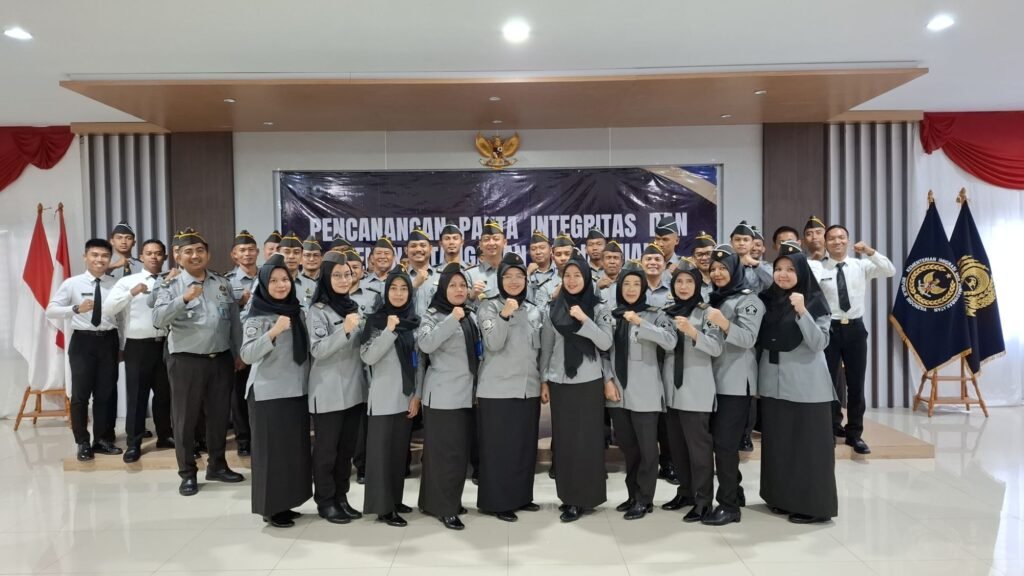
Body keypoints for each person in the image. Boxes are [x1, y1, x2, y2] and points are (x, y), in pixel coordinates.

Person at [153, 228, 245, 496]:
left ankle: (217, 465)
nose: (195, 255)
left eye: (200, 250)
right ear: (178, 256)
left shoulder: (221, 283)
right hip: (186, 361)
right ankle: (187, 473)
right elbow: (158, 320)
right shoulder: (170, 285)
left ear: (208, 254)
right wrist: (183, 299)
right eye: (188, 251)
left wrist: (238, 352)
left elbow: (234, 322)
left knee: (218, 416)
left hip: (220, 359)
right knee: (185, 418)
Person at [757, 241, 838, 524]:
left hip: (807, 388)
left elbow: (819, 343)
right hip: (772, 385)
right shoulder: (767, 300)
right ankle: (779, 498)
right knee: (778, 446)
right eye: (778, 268)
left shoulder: (815, 301)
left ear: (801, 272)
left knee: (808, 449)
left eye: (790, 269)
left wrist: (802, 311)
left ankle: (814, 506)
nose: (783, 274)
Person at [540, 251, 613, 523]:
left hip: (588, 382)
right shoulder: (554, 308)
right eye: (567, 276)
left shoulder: (598, 307)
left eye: (577, 275)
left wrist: (584, 319)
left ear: (586, 278)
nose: (571, 280)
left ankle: (587, 496)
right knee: (566, 442)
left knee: (587, 442)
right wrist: (544, 379)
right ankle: (569, 497)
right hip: (560, 382)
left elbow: (605, 342)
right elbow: (547, 347)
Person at [240, 254, 313, 528]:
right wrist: (273, 332)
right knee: (270, 454)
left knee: (291, 452)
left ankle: (287, 502)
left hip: (296, 390)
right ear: (263, 284)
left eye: (285, 279)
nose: (281, 285)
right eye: (274, 281)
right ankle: (270, 508)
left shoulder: (297, 311)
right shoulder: (257, 314)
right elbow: (247, 354)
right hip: (268, 393)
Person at [604, 268, 677, 520]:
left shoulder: (656, 315)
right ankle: (632, 495)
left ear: (644, 288)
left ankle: (645, 499)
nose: (631, 289)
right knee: (629, 448)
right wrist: (607, 380)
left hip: (646, 392)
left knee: (647, 450)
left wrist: (641, 323)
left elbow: (671, 341)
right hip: (618, 393)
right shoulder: (612, 316)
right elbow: (603, 351)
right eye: (627, 284)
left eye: (637, 284)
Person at [476, 253, 543, 522]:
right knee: (498, 449)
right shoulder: (488, 307)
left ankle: (521, 496)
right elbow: (493, 343)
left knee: (524, 448)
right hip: (497, 389)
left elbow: (539, 351)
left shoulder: (534, 310)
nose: (514, 281)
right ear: (499, 279)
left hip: (528, 387)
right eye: (508, 276)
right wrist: (504, 314)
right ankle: (498, 501)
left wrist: (543, 381)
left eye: (519, 276)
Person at [702, 244, 764, 525]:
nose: (717, 273)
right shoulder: (715, 298)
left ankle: (728, 506)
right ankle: (735, 492)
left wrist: (725, 323)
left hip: (736, 383)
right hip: (714, 380)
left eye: (723, 268)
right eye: (713, 269)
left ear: (735, 270)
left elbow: (749, 338)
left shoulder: (749, 300)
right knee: (720, 442)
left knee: (725, 444)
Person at [819, 225, 895, 454]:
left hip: (855, 329)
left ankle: (855, 434)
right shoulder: (819, 267)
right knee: (828, 383)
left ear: (848, 240)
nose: (837, 241)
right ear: (825, 243)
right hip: (829, 329)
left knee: (856, 383)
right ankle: (830, 429)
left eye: (841, 237)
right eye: (832, 238)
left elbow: (889, 270)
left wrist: (870, 251)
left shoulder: (860, 266)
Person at [416, 263, 481, 530]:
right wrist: (451, 319)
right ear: (443, 288)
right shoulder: (433, 315)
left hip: (466, 395)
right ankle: (445, 507)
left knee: (457, 454)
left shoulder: (470, 315)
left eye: (462, 285)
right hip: (442, 396)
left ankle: (435, 500)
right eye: (452, 285)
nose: (458, 290)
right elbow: (425, 344)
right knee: (445, 455)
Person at [46, 238, 123, 461]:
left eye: (105, 256)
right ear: (85, 257)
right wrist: (75, 308)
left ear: (109, 259)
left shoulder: (115, 284)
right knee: (80, 395)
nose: (100, 260)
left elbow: (122, 317)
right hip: (83, 342)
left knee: (105, 394)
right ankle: (82, 442)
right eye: (95, 255)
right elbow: (51, 310)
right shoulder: (72, 283)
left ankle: (102, 440)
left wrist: (122, 345)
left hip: (108, 341)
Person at [307, 252, 367, 524]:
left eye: (347, 275)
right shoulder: (317, 311)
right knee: (326, 452)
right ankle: (325, 500)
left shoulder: (353, 306)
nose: (344, 280)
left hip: (354, 389)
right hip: (328, 391)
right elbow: (318, 350)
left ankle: (342, 497)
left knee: (346, 451)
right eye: (337, 275)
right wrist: (344, 330)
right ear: (326, 278)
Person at [360, 268, 422, 527]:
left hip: (406, 398)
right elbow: (368, 356)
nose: (398, 293)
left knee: (397, 454)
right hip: (384, 398)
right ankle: (383, 508)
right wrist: (388, 330)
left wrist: (417, 395)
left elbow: (419, 363)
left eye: (404, 288)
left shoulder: (413, 321)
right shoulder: (376, 321)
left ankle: (395, 500)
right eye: (393, 288)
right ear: (386, 292)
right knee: (381, 457)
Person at [661, 266, 722, 523]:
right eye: (679, 282)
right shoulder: (667, 312)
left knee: (699, 450)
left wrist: (693, 332)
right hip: (671, 390)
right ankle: (685, 492)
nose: (683, 286)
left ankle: (703, 500)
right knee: (677, 448)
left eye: (689, 281)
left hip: (696, 391)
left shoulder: (707, 313)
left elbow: (716, 347)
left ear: (697, 285)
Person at [105, 238, 173, 462]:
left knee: (165, 394)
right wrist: (131, 293)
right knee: (137, 396)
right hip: (138, 346)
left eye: (158, 253)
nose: (154, 256)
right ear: (141, 257)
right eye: (149, 253)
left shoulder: (172, 280)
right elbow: (108, 309)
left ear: (164, 257)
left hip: (166, 345)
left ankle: (165, 435)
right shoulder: (128, 282)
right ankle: (133, 443)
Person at [226, 230, 259, 456]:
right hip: (241, 347)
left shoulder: (268, 276)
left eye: (251, 250)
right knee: (239, 396)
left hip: (265, 345)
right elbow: (226, 319)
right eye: (242, 250)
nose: (247, 254)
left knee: (262, 394)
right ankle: (244, 439)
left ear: (257, 252)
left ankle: (260, 436)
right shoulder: (227, 282)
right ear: (234, 255)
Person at [467, 218, 506, 302]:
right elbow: (462, 306)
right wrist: (471, 296)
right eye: (486, 239)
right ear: (480, 245)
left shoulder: (515, 272)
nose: (491, 243)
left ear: (504, 243)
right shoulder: (469, 275)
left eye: (496, 239)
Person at [277, 232, 317, 309]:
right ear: (278, 254)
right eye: (287, 252)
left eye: (296, 252)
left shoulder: (312, 285)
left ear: (302, 256)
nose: (291, 256)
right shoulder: (268, 282)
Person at [730, 221, 772, 293]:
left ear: (752, 243)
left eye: (746, 240)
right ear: (731, 243)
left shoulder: (762, 266)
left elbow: (776, 282)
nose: (741, 243)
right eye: (737, 239)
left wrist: (755, 264)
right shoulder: (724, 264)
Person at [406, 228, 437, 317]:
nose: (418, 249)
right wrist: (413, 286)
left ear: (430, 249)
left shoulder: (442, 276)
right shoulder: (398, 277)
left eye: (423, 245)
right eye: (413, 246)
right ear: (406, 250)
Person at [527, 230, 557, 308]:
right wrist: (527, 275)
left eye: (542, 248)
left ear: (551, 250)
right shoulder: (524, 275)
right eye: (533, 249)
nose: (538, 252)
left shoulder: (559, 272)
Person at [691, 231, 716, 300]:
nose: (704, 258)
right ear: (693, 258)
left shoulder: (722, 278)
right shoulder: (689, 279)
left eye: (708, 253)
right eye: (699, 255)